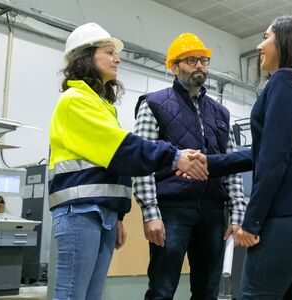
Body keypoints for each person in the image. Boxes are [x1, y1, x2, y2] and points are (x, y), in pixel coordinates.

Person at [48, 23, 208, 300]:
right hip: (80, 212)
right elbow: (122, 150)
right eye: (109, 52)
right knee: (73, 295)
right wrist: (174, 156)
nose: (117, 58)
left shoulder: (101, 105)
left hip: (101, 213)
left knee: (91, 295)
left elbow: (115, 166)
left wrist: (119, 214)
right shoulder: (75, 101)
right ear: (85, 57)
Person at [197, 15, 292, 299]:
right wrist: (209, 163)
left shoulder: (285, 80)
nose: (258, 46)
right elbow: (266, 151)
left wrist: (251, 222)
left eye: (266, 37)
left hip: (290, 211)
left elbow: (274, 158)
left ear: (285, 41)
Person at [133, 33, 247, 300]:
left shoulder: (221, 113)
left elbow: (230, 163)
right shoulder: (154, 104)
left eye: (204, 60)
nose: (200, 66)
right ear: (174, 67)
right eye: (191, 60)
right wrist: (150, 211)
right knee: (162, 288)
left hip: (212, 212)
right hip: (172, 210)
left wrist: (238, 208)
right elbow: (142, 159)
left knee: (208, 290)